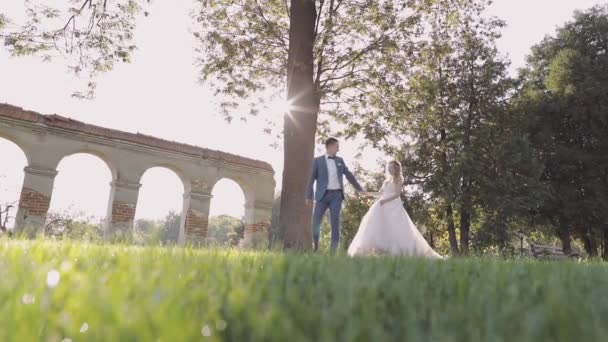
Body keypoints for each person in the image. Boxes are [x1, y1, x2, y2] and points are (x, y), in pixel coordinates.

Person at [347, 159, 443, 259]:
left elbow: (397, 194)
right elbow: (380, 193)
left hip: (393, 206)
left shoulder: (399, 179)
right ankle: (378, 250)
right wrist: (367, 193)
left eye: (392, 167)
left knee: (397, 228)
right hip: (382, 206)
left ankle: (403, 251)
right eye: (389, 167)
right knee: (377, 225)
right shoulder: (386, 181)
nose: (390, 169)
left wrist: (385, 201)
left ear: (396, 169)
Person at [305, 137, 364, 251]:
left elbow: (348, 175)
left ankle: (333, 250)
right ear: (330, 146)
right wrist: (308, 196)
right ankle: (316, 246)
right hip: (322, 196)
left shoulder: (340, 161)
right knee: (316, 222)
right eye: (337, 146)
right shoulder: (317, 161)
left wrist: (359, 188)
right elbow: (311, 179)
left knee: (335, 223)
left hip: (336, 196)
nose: (338, 149)